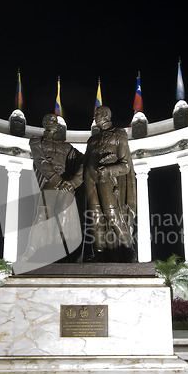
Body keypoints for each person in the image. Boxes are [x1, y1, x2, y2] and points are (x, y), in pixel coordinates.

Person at [17, 113, 83, 268]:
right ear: (44, 123)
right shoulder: (36, 141)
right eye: (49, 120)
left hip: (66, 185)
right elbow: (41, 162)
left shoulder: (67, 147)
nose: (53, 122)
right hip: (51, 183)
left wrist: (74, 182)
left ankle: (64, 252)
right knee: (42, 215)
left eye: (55, 120)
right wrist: (58, 181)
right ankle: (31, 250)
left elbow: (84, 161)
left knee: (64, 218)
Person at [83, 105, 136, 262]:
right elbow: (84, 163)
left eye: (98, 114)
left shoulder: (119, 134)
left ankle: (128, 250)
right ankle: (99, 253)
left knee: (112, 216)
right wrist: (71, 182)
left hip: (107, 178)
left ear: (106, 115)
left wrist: (107, 170)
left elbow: (126, 165)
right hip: (90, 177)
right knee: (95, 218)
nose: (95, 116)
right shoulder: (92, 140)